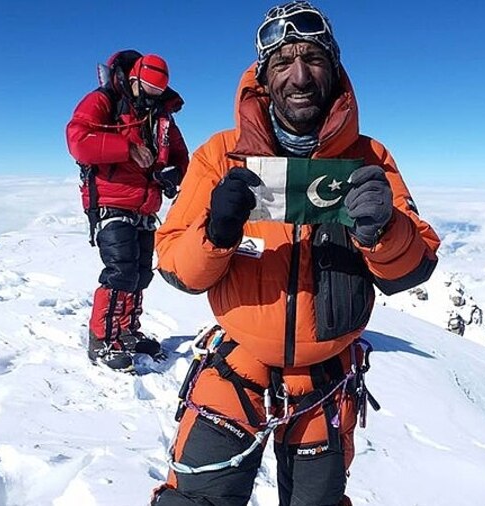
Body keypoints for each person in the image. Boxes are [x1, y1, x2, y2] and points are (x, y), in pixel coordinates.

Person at [153, 2, 441, 504]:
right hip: (237, 364)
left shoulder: (369, 159)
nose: (300, 75)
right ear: (264, 76)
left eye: (313, 59)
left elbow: (415, 266)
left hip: (325, 379)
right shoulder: (221, 156)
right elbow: (177, 266)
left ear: (334, 70)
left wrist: (385, 230)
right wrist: (216, 232)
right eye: (283, 61)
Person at [66, 50, 189, 371]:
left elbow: (179, 154)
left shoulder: (161, 115)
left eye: (158, 93)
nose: (152, 99)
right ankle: (102, 339)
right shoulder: (103, 101)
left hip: (146, 203)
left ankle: (126, 330)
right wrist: (127, 149)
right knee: (120, 271)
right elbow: (78, 140)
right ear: (133, 80)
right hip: (111, 200)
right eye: (148, 91)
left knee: (140, 273)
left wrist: (174, 173)